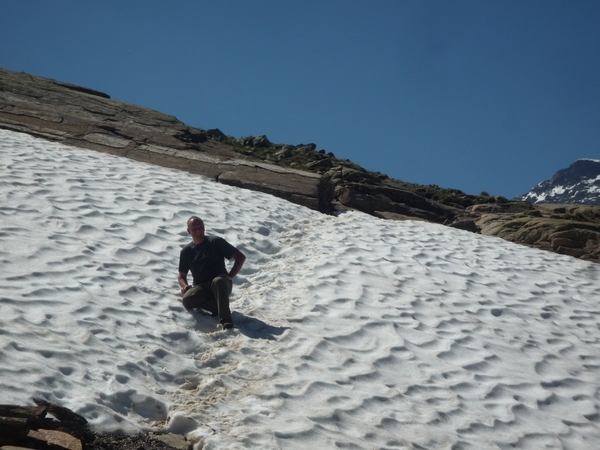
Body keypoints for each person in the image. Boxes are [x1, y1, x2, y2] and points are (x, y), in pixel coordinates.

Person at [178, 216, 246, 330]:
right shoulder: (186, 251)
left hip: (221, 284)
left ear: (204, 228)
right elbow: (181, 276)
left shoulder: (215, 242)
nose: (198, 230)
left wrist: (230, 276)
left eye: (200, 227)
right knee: (187, 299)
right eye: (194, 228)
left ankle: (226, 321)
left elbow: (240, 257)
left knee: (218, 281)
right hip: (201, 287)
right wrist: (184, 286)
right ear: (188, 231)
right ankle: (218, 306)